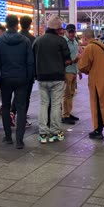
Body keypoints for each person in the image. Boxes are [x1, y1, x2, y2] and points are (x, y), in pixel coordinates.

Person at [0, 15, 33, 149]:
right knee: (21, 108)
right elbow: (30, 62)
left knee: (5, 106)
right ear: (17, 25)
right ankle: (20, 140)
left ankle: (8, 136)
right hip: (22, 78)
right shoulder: (25, 41)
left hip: (5, 79)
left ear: (6, 25)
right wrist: (30, 78)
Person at [33, 15, 71, 144]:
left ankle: (43, 133)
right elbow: (67, 60)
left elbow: (33, 59)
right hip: (57, 77)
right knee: (55, 104)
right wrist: (74, 60)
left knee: (43, 104)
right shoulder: (61, 41)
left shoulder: (38, 41)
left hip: (42, 77)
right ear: (57, 29)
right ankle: (55, 132)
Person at [9, 15, 36, 128]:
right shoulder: (32, 39)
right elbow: (33, 58)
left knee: (17, 95)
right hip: (27, 73)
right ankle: (22, 119)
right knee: (26, 97)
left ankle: (12, 112)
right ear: (30, 25)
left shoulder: (14, 37)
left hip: (14, 72)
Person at [62, 24, 82, 124]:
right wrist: (74, 60)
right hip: (67, 71)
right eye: (69, 32)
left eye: (73, 32)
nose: (71, 34)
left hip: (73, 70)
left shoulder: (75, 41)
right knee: (66, 94)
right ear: (66, 32)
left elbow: (76, 56)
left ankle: (68, 113)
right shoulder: (63, 42)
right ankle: (65, 115)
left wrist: (79, 71)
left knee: (71, 93)